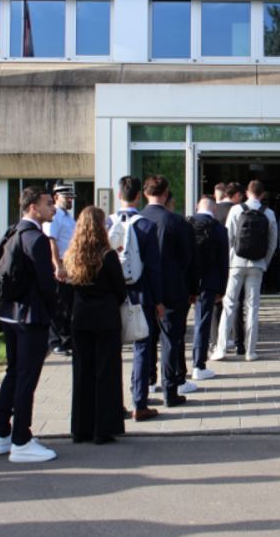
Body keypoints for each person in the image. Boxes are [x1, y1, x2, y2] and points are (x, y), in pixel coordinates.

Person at [0, 186, 60, 463]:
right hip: (30, 317)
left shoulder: (12, 233)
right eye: (47, 203)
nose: (52, 208)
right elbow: (47, 283)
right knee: (26, 379)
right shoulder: (36, 238)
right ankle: (21, 441)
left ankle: (1, 435)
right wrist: (58, 315)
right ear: (33, 207)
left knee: (14, 374)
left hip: (10, 313)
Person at [62, 206, 127, 445]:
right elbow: (121, 291)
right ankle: (104, 429)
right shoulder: (107, 255)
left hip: (80, 318)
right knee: (106, 374)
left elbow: (68, 290)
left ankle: (81, 429)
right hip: (106, 319)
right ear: (101, 226)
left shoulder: (72, 254)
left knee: (82, 374)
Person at [108, 176, 163, 422]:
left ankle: (114, 403)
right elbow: (153, 268)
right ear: (139, 196)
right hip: (141, 294)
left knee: (113, 350)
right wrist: (158, 301)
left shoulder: (106, 224)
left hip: (111, 296)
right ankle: (139, 403)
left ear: (119, 195)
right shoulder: (146, 226)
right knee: (142, 348)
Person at [140, 177, 197, 405]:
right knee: (171, 341)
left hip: (144, 291)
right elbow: (188, 258)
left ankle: (146, 384)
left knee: (145, 340)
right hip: (173, 289)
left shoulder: (137, 220)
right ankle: (170, 391)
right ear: (166, 193)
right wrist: (191, 288)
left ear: (145, 194)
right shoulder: (177, 222)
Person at [211, 180, 278, 362]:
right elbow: (272, 243)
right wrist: (264, 261)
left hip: (236, 263)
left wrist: (228, 263)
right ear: (262, 195)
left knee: (229, 305)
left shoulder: (235, 210)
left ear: (247, 193)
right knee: (252, 307)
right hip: (257, 265)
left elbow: (229, 238)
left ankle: (221, 349)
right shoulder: (269, 213)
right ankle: (250, 351)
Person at [190, 196, 229, 381]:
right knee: (202, 323)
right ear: (214, 210)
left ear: (198, 207)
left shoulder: (185, 224)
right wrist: (222, 288)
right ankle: (198, 365)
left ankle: (174, 369)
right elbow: (223, 261)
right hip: (209, 281)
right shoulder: (220, 229)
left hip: (185, 280)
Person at [211, 182, 245, 354]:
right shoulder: (240, 211)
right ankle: (239, 341)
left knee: (217, 303)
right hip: (236, 260)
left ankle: (216, 340)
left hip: (216, 262)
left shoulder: (214, 210)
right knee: (237, 302)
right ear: (236, 195)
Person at [45, 183, 78, 356]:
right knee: (59, 305)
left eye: (71, 197)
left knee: (68, 305)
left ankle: (66, 339)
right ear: (56, 198)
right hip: (60, 263)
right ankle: (55, 341)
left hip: (70, 264)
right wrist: (58, 266)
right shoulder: (55, 216)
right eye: (67, 197)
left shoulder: (68, 217)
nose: (70, 200)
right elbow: (52, 242)